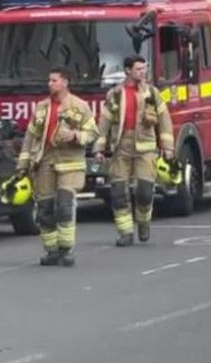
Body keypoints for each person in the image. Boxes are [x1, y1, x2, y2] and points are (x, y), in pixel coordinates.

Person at [16, 67, 99, 267]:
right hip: (45, 161)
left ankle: (67, 249)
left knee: (64, 205)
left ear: (65, 83)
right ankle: (51, 250)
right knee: (44, 208)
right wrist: (23, 164)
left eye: (54, 80)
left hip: (70, 163)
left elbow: (93, 132)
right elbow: (31, 137)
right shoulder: (42, 107)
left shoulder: (79, 106)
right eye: (49, 80)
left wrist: (75, 136)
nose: (49, 84)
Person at [93, 55, 174, 247]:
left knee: (145, 193)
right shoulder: (115, 94)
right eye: (138, 69)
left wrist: (167, 147)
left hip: (146, 149)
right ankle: (126, 233)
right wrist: (99, 149)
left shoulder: (152, 94)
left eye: (144, 69)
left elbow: (165, 121)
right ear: (128, 70)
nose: (143, 72)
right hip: (121, 147)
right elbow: (104, 123)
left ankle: (143, 222)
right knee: (118, 192)